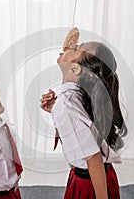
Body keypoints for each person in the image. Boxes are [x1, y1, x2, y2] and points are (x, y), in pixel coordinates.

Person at [40, 42, 127, 199]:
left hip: (91, 183)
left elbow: (92, 157)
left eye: (75, 48)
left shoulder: (67, 104)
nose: (69, 46)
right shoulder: (80, 97)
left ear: (74, 69)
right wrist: (56, 111)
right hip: (103, 176)